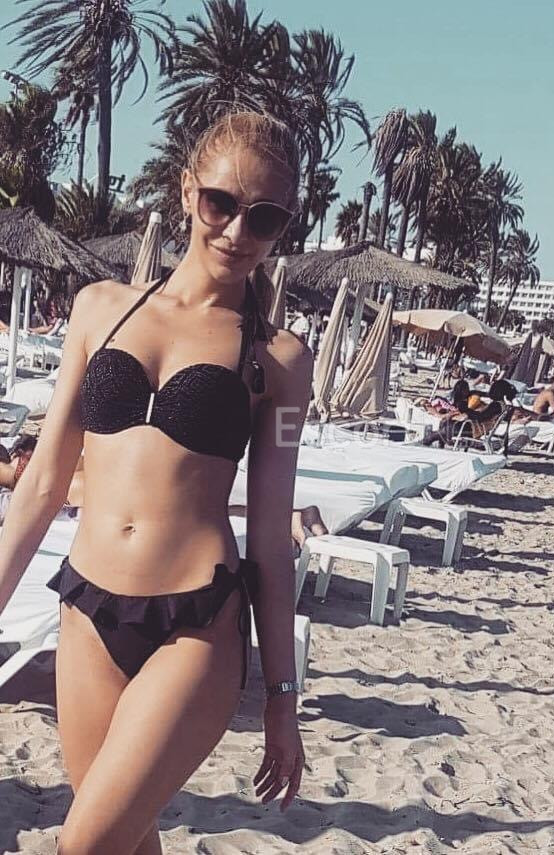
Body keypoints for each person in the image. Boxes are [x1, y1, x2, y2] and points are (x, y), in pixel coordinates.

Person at [0, 111, 311, 853]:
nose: (237, 231)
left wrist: (282, 697)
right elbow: (42, 483)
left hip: (196, 624)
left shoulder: (278, 359)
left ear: (283, 226)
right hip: (87, 609)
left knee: (83, 844)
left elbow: (271, 539)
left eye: (264, 217)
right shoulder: (99, 309)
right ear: (186, 191)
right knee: (126, 841)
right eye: (221, 204)